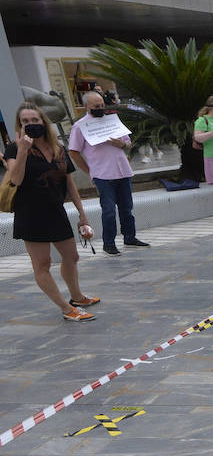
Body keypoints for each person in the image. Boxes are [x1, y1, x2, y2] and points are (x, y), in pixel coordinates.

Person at [2, 101, 99, 321]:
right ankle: (66, 308)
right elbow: (15, 179)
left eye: (34, 120)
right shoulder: (14, 149)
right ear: (20, 125)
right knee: (42, 264)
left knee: (72, 256)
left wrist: (82, 213)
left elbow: (69, 183)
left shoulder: (57, 148)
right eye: (25, 121)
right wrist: (24, 151)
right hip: (31, 214)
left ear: (43, 122)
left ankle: (76, 296)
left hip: (56, 211)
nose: (30, 124)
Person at [69, 91, 148, 255]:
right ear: (86, 107)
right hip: (102, 174)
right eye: (96, 106)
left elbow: (128, 144)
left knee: (127, 208)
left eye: (102, 105)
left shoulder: (112, 120)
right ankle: (109, 243)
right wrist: (88, 170)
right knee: (109, 210)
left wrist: (121, 144)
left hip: (122, 171)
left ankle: (130, 237)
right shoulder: (81, 126)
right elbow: (73, 151)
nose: (100, 108)